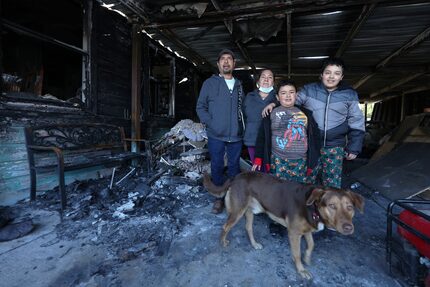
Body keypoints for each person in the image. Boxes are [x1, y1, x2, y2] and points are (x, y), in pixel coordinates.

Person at [262, 58, 365, 188]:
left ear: (342, 76)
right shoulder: (309, 90)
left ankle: (327, 208)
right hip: (311, 146)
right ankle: (310, 208)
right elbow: (290, 100)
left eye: (336, 73)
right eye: (328, 72)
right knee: (307, 183)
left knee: (332, 184)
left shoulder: (350, 94)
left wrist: (354, 146)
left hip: (335, 147)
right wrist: (274, 104)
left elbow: (356, 120)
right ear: (321, 74)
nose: (331, 77)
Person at [196, 49, 244, 214]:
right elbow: (200, 106)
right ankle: (218, 198)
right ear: (218, 64)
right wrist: (211, 124)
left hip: (236, 135)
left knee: (234, 167)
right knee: (216, 166)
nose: (226, 62)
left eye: (229, 59)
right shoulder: (209, 84)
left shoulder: (239, 84)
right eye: (222, 59)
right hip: (216, 134)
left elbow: (241, 108)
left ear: (234, 64)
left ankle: (233, 197)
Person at [252, 80, 320, 183]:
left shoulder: (306, 114)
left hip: (302, 162)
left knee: (299, 193)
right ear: (278, 97)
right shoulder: (271, 113)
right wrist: (258, 157)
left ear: (296, 95)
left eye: (291, 92)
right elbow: (262, 137)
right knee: (280, 193)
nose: (288, 95)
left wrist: (313, 161)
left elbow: (315, 137)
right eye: (283, 93)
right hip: (278, 161)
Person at [242, 69, 277, 170]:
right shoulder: (249, 96)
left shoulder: (278, 97)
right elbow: (243, 116)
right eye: (263, 77)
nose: (266, 80)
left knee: (271, 172)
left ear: (273, 82)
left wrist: (274, 103)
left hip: (272, 142)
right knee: (257, 171)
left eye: (270, 77)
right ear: (258, 81)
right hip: (252, 139)